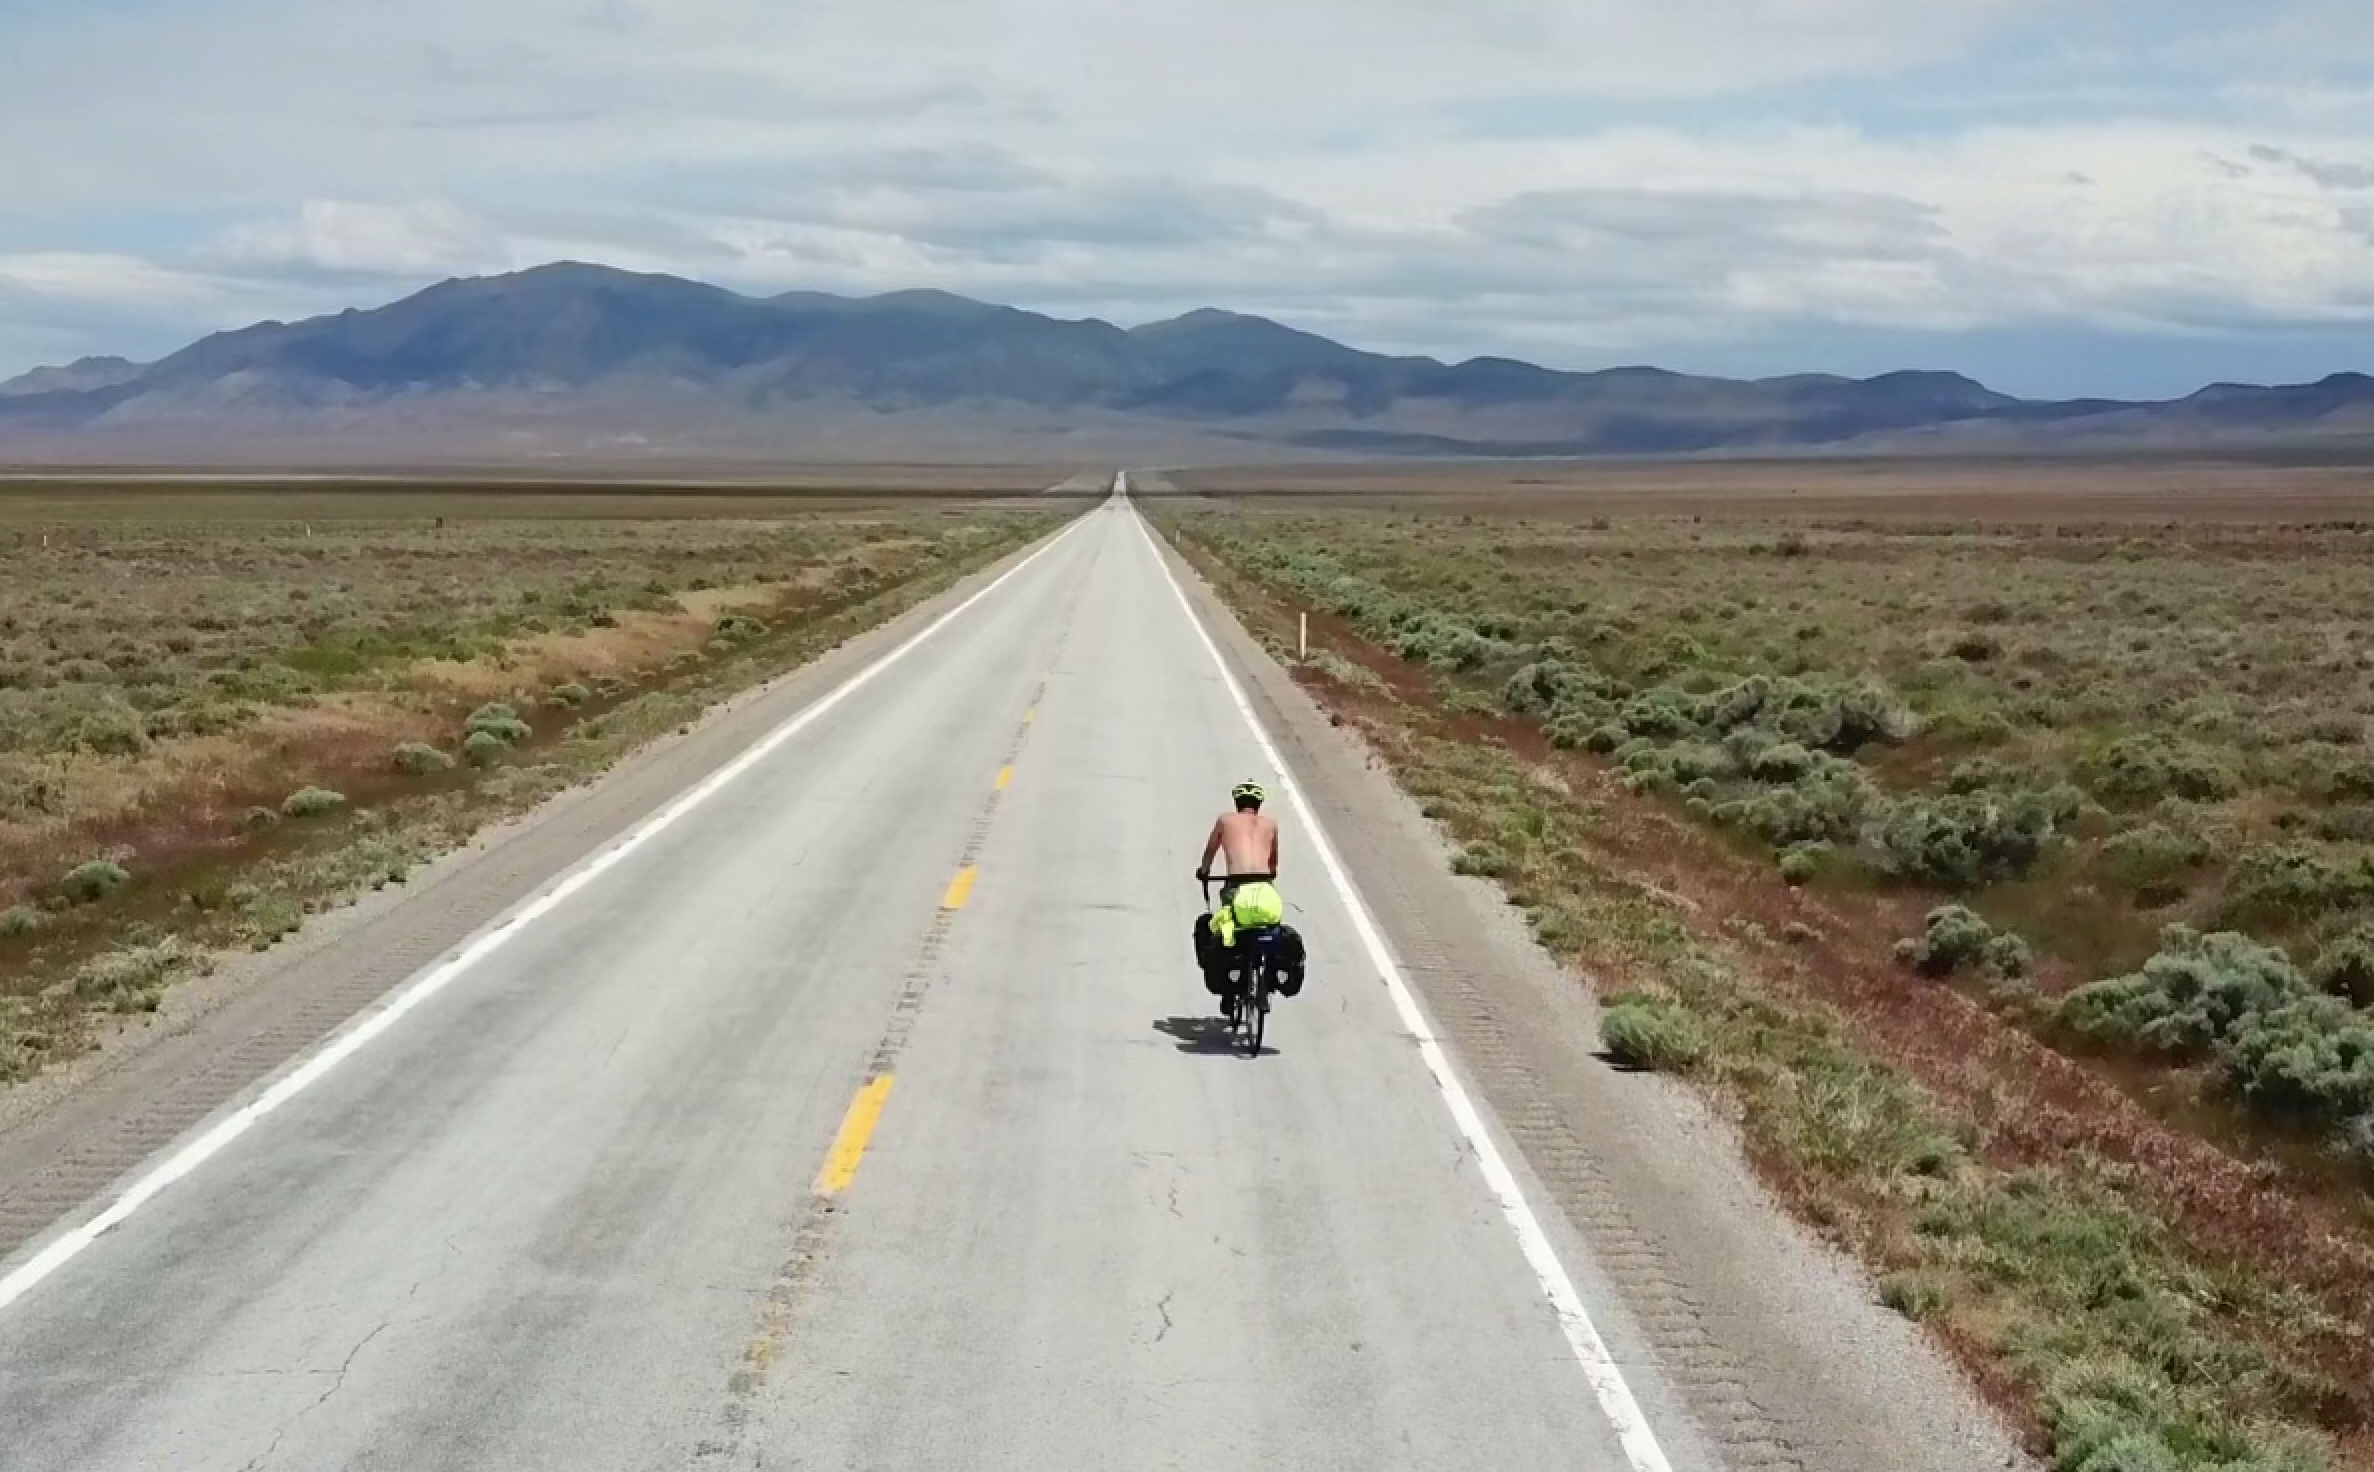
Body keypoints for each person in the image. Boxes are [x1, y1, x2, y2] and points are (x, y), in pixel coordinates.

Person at [1194, 780, 1285, 992]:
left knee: (1229, 928)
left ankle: (1230, 986)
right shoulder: (1270, 824)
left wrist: (1204, 872)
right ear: (1259, 804)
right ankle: (1268, 978)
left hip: (1237, 884)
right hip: (1263, 884)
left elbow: (1210, 851)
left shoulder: (1225, 820)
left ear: (1237, 802)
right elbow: (1273, 864)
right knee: (1269, 925)